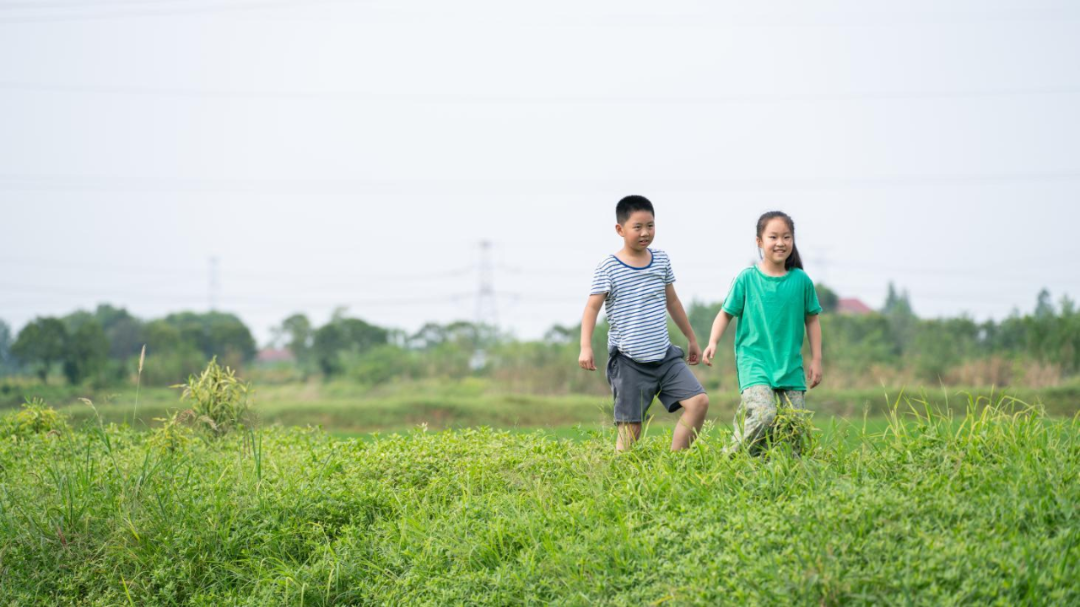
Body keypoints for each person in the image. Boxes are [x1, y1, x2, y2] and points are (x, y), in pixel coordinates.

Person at [579, 195, 709, 452]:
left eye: (650, 225)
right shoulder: (608, 267)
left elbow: (673, 302)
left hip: (664, 357)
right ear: (620, 229)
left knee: (699, 402)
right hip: (629, 362)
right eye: (637, 227)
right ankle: (619, 475)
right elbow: (592, 308)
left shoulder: (661, 260)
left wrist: (692, 339)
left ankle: (675, 463)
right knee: (631, 431)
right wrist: (585, 346)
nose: (645, 232)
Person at [702, 211, 823, 454]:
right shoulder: (747, 278)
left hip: (790, 364)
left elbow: (812, 320)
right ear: (759, 241)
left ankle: (781, 469)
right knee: (764, 415)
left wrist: (817, 359)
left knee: (795, 426)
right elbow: (725, 313)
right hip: (754, 361)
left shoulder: (801, 281)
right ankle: (729, 458)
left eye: (786, 237)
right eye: (773, 237)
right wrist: (713, 341)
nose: (780, 243)